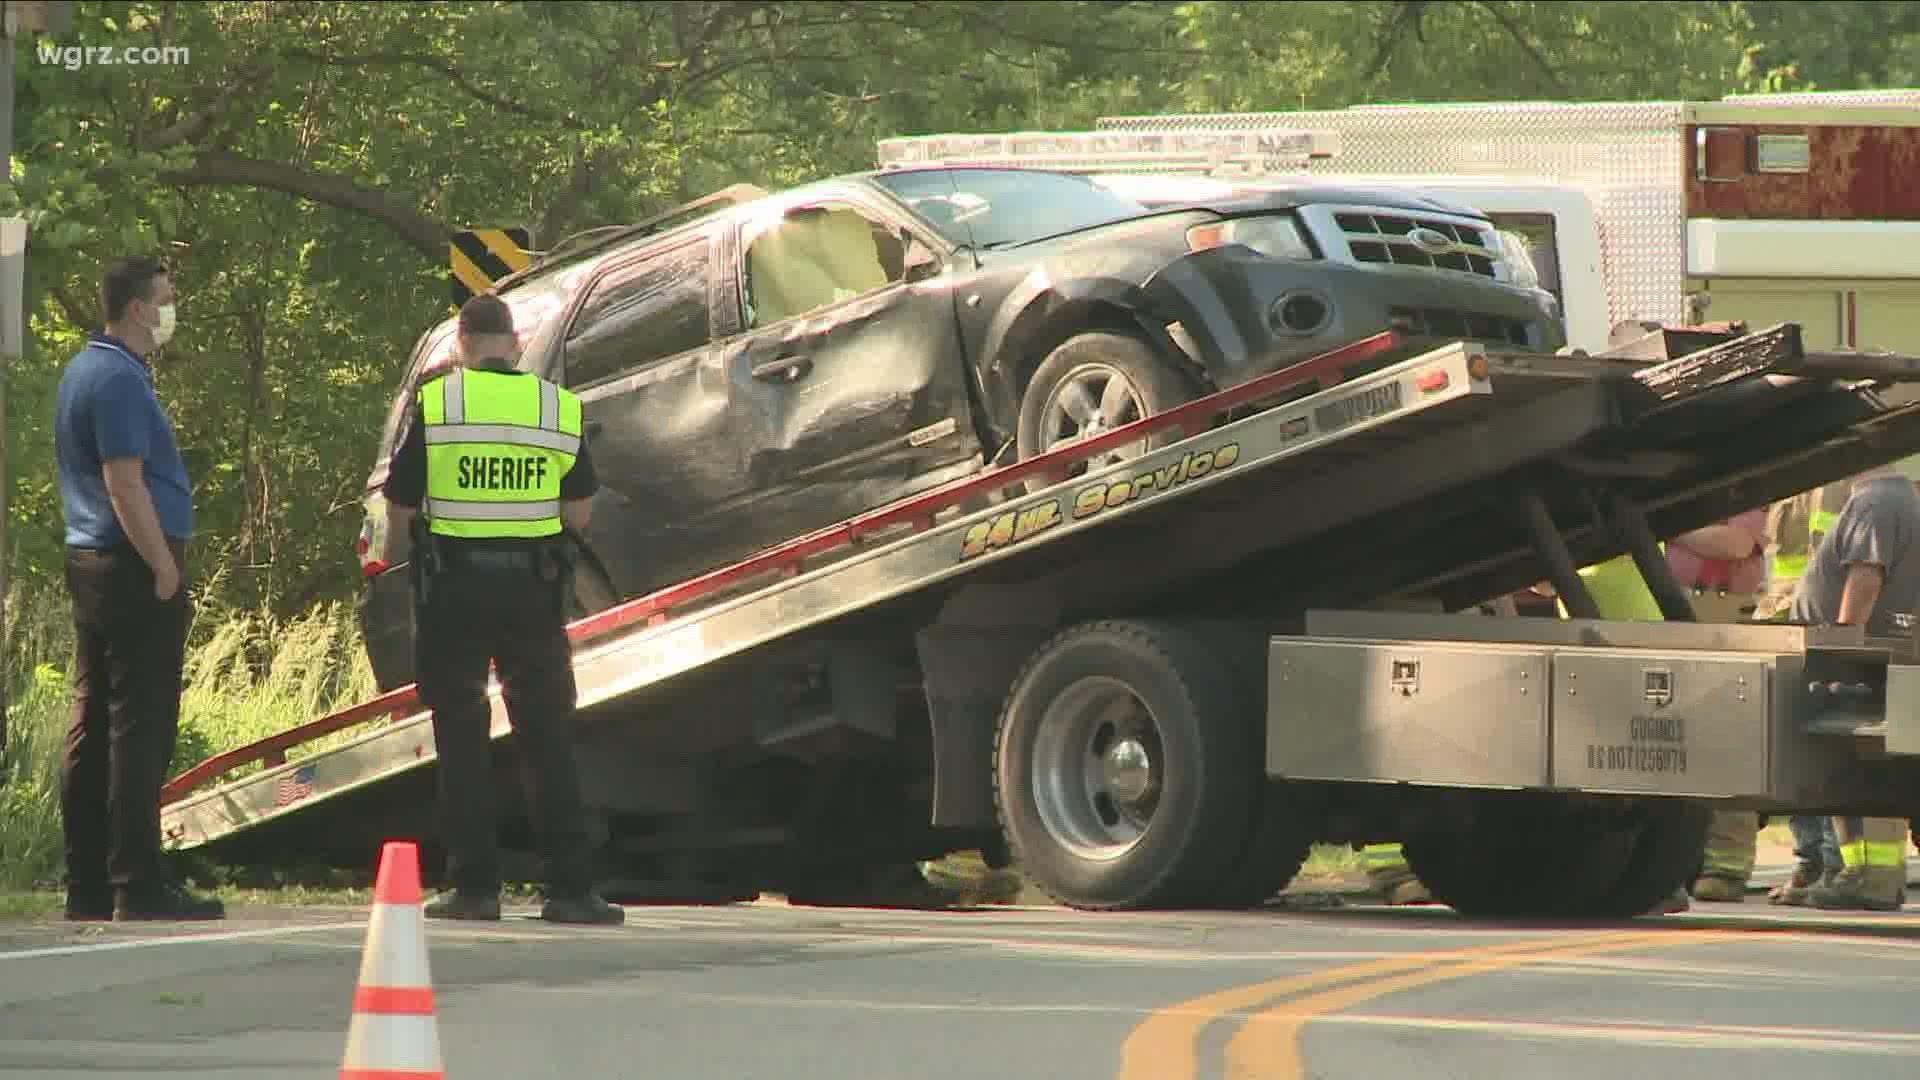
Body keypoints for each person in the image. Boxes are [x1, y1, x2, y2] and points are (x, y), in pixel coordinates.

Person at [381, 292, 623, 925]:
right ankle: (571, 891)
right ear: (513, 343)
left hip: (454, 589)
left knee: (461, 733)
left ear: (461, 345)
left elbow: (401, 506)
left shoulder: (437, 404)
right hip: (533, 592)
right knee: (546, 734)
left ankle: (475, 889)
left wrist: (408, 563)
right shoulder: (557, 407)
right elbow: (580, 512)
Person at [53, 256, 225, 922]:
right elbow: (124, 482)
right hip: (129, 562)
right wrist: (163, 565)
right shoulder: (120, 378)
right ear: (135, 308)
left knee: (92, 720)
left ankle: (87, 881)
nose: (171, 309)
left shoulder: (81, 369)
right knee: (139, 726)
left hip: (88, 558)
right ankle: (137, 882)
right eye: (166, 298)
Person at [1772, 464, 1920, 912]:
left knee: (1850, 768)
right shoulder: (1900, 501)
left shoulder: (1875, 501)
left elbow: (1866, 577)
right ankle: (1856, 874)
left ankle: (1864, 878)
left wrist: (1840, 646)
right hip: (1877, 658)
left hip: (1853, 661)